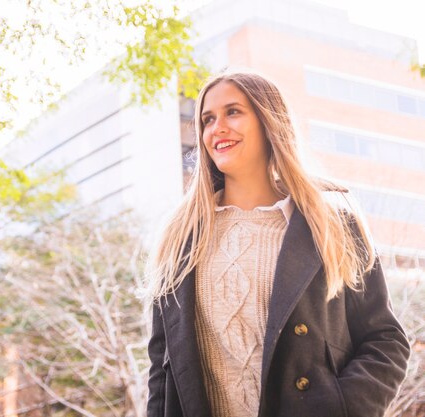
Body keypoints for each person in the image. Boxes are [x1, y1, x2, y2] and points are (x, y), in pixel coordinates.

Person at [146, 69, 410, 417]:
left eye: (233, 112)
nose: (217, 128)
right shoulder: (180, 238)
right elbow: (161, 372)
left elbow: (385, 340)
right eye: (207, 119)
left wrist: (339, 407)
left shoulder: (329, 222)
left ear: (269, 120)